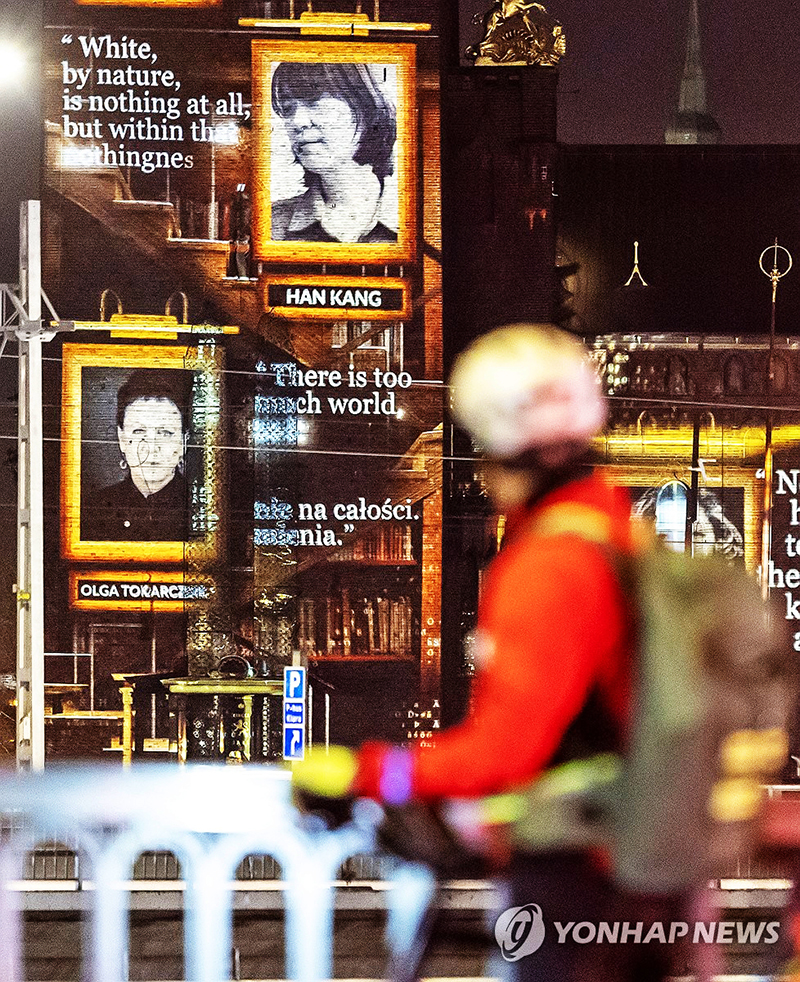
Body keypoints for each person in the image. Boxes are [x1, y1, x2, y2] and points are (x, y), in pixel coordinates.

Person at [294, 324, 685, 982]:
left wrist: (371, 772)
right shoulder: (622, 535)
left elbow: (508, 750)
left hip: (578, 872)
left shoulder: (551, 563)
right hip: (642, 865)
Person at [270, 62, 398, 243]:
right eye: (287, 109)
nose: (298, 121)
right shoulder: (272, 223)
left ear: (365, 108)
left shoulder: (416, 217)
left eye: (314, 102)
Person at [82, 370, 191, 542]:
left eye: (165, 432)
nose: (152, 448)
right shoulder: (92, 509)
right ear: (122, 439)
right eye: (139, 431)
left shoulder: (201, 508)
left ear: (183, 441)